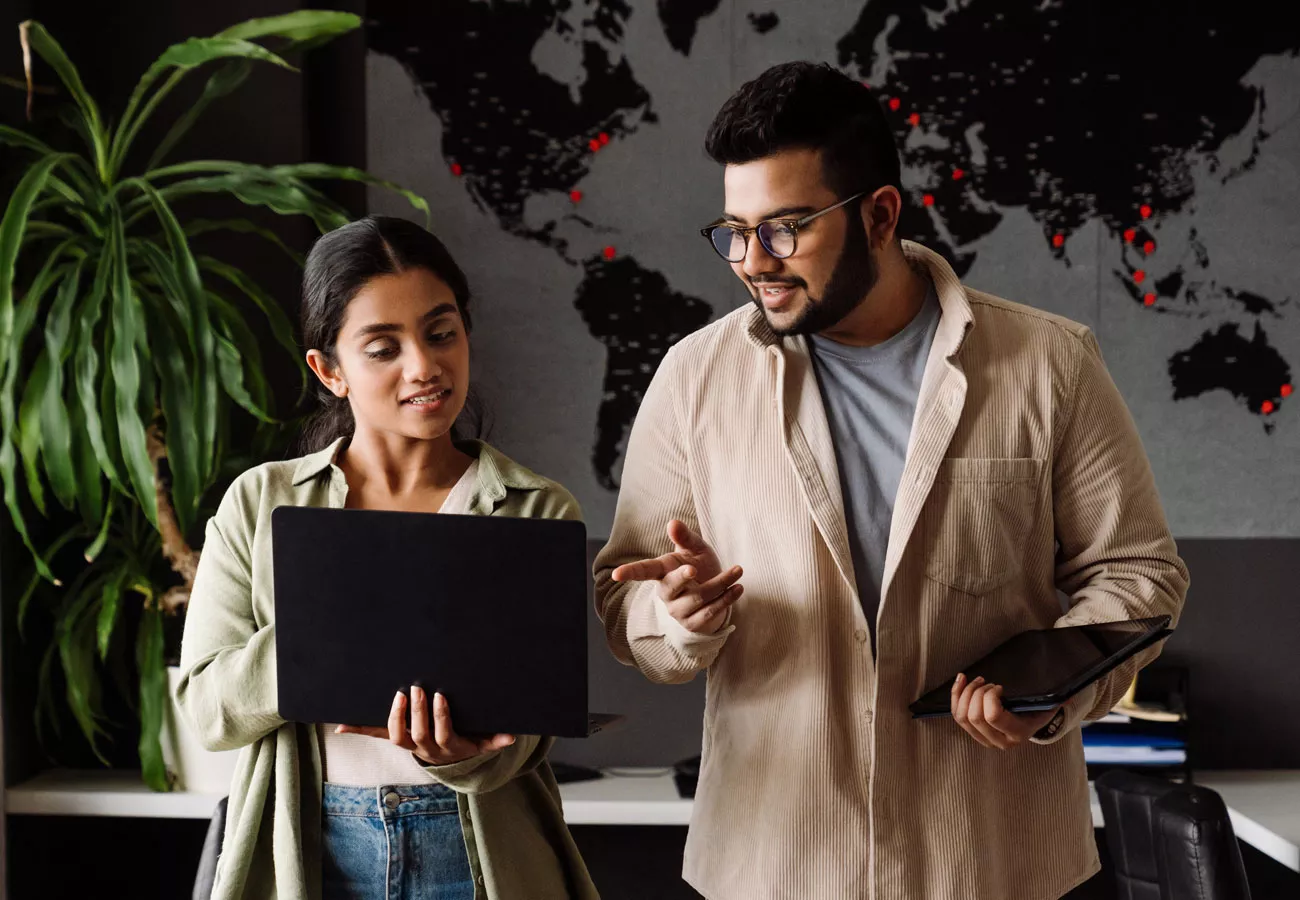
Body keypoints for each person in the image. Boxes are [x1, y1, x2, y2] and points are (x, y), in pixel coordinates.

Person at [593, 62, 1189, 900]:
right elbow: (628, 602)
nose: (752, 261)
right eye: (735, 230)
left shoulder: (1049, 364)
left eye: (786, 228)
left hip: (993, 862)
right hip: (773, 866)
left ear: (878, 214)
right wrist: (676, 616)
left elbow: (1137, 574)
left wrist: (1048, 693)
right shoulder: (694, 377)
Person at [178, 216, 599, 900]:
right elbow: (206, 708)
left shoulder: (534, 507)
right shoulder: (260, 503)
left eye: (441, 333)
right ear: (330, 370)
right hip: (312, 849)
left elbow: (529, 735)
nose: (424, 367)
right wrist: (330, 632)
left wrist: (461, 757)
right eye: (383, 347)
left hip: (476, 850)